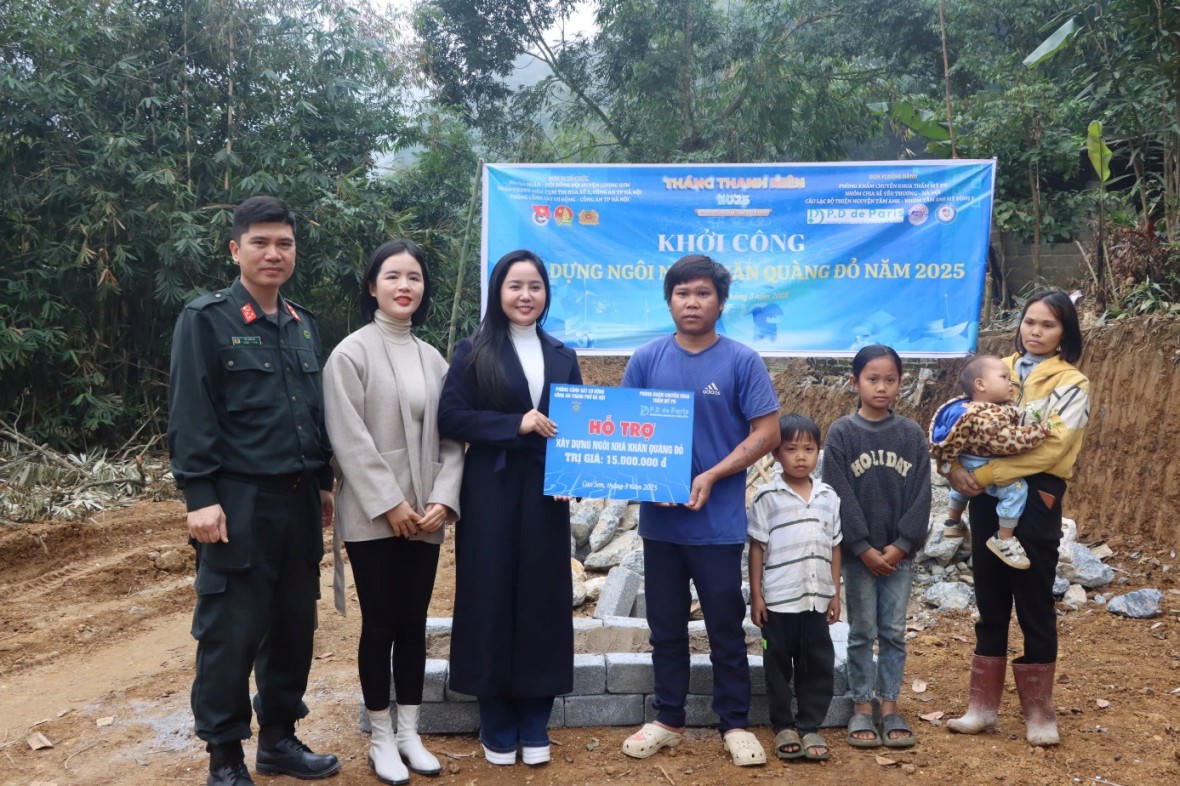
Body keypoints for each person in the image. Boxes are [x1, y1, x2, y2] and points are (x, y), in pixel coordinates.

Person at [167, 196, 339, 786]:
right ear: (235, 249)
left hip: (298, 501)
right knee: (230, 632)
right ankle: (225, 759)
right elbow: (191, 412)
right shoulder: (206, 320)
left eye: (284, 243)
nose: (273, 253)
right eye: (260, 242)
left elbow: (312, 411)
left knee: (293, 626)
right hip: (237, 502)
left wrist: (322, 483)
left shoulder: (302, 323)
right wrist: (199, 495)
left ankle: (280, 741)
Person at [619, 254, 780, 768]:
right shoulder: (647, 359)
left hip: (718, 526)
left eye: (703, 293)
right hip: (662, 525)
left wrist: (711, 475)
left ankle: (734, 723)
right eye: (682, 292)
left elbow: (767, 433)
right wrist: (648, 481)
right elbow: (623, 430)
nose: (692, 302)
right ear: (669, 300)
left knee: (725, 630)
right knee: (665, 629)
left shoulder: (741, 361)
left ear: (721, 302)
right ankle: (667, 719)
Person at [323, 239, 464, 784]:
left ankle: (410, 733)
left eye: (414, 277)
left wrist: (443, 500)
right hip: (373, 516)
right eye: (393, 276)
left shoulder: (433, 359)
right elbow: (348, 438)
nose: (405, 286)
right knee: (379, 623)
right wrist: (391, 504)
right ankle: (381, 738)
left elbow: (453, 439)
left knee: (413, 623)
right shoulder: (350, 354)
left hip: (426, 516)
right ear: (372, 285)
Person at [437, 249, 582, 767]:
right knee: (490, 594)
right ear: (498, 291)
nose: (526, 296)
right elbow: (451, 417)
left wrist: (574, 477)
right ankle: (495, 715)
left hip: (546, 491)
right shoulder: (473, 350)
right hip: (491, 489)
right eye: (515, 286)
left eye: (535, 286)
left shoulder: (562, 354)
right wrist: (512, 425)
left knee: (544, 598)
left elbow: (577, 426)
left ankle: (535, 715)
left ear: (546, 294)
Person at [945, 290, 1090, 746]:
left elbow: (1055, 449)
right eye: (1030, 321)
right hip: (985, 498)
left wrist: (984, 473)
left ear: (1064, 332)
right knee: (989, 596)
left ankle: (1039, 712)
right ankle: (981, 707)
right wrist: (953, 467)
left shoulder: (1072, 384)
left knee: (1033, 600)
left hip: (1038, 495)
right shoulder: (995, 369)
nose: (1035, 331)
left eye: (1048, 324)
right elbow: (957, 424)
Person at [822, 344, 931, 750]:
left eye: (890, 380)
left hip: (899, 555)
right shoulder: (842, 433)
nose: (881, 387)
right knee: (862, 630)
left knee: (894, 632)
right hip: (858, 557)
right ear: (855, 382)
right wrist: (863, 546)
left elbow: (922, 494)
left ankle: (890, 706)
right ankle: (861, 706)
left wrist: (902, 544)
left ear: (900, 383)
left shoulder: (910, 434)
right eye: (873, 379)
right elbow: (838, 493)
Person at [748, 413, 841, 762]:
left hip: (816, 600)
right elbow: (757, 547)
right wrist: (757, 595)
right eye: (791, 449)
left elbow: (835, 546)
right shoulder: (766, 497)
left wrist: (835, 591)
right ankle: (783, 725)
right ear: (775, 454)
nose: (800, 457)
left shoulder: (828, 496)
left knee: (816, 663)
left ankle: (810, 724)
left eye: (809, 449)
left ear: (819, 452)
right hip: (778, 600)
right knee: (777, 665)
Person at [930, 354, 1055, 569]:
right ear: (980, 384)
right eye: (1004, 377)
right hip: (982, 464)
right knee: (1017, 490)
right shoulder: (986, 415)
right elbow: (1007, 442)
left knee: (960, 487)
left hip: (964, 461)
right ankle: (1004, 537)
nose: (1011, 382)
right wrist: (1038, 432)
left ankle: (953, 520)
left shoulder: (964, 407)